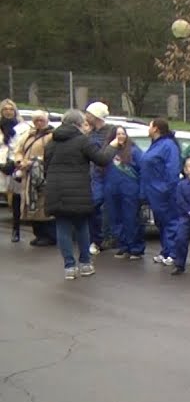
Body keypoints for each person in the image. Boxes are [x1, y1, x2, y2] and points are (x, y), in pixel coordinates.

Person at [42, 110, 121, 279]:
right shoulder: (83, 141)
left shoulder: (51, 143)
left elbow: (46, 167)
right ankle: (85, 263)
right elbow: (101, 159)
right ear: (78, 124)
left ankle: (69, 267)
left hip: (56, 190)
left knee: (62, 227)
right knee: (81, 226)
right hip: (79, 190)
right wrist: (114, 145)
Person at [141, 118, 182, 266]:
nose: (148, 129)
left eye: (150, 126)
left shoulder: (168, 145)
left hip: (163, 192)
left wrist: (166, 188)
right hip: (154, 191)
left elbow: (173, 169)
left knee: (170, 221)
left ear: (156, 129)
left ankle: (173, 252)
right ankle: (166, 250)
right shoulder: (156, 144)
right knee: (161, 223)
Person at [13, 109, 57, 246]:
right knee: (30, 204)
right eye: (36, 120)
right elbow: (19, 150)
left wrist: (34, 161)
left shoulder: (52, 136)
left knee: (42, 204)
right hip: (28, 175)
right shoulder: (29, 135)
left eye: (41, 120)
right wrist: (20, 161)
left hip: (42, 175)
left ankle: (49, 235)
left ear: (46, 120)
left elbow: (52, 154)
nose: (38, 123)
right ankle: (38, 233)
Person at [105, 127, 146, 260]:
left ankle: (136, 248)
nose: (121, 136)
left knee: (131, 219)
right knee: (115, 219)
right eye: (118, 134)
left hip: (130, 191)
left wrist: (141, 191)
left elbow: (143, 171)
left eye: (123, 134)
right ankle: (124, 246)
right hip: (112, 190)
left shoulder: (134, 151)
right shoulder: (108, 152)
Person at [83, 102, 116, 253]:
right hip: (92, 175)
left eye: (88, 114)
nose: (85, 116)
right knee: (92, 208)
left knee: (98, 205)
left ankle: (104, 238)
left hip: (105, 175)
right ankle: (95, 239)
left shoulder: (111, 132)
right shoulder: (90, 133)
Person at [0, 100, 19, 242]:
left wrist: (14, 162)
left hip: (14, 166)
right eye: (5, 109)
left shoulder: (21, 127)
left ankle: (16, 230)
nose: (8, 111)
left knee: (15, 200)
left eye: (10, 109)